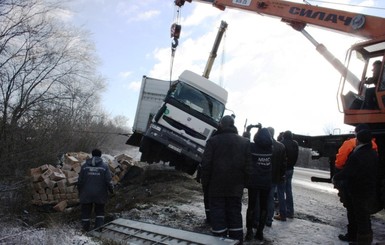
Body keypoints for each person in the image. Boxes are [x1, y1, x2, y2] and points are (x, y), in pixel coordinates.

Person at [201, 115, 251, 244]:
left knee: (217, 215)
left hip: (216, 187)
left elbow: (206, 165)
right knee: (235, 214)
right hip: (235, 187)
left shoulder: (213, 141)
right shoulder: (244, 142)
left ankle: (219, 241)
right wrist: (243, 184)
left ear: (221, 125)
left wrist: (205, 184)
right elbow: (249, 167)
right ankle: (237, 241)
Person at [333, 127, 379, 244]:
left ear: (358, 139)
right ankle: (359, 238)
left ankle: (360, 240)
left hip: (357, 189)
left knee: (358, 214)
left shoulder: (357, 153)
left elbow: (346, 168)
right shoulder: (374, 152)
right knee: (362, 215)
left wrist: (336, 177)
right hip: (368, 188)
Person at [244, 127, 273, 242]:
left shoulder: (252, 147)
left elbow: (245, 140)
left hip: (254, 181)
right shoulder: (271, 149)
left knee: (251, 206)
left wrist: (249, 130)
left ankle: (249, 230)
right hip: (266, 181)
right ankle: (260, 231)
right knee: (264, 206)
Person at [77, 149, 114, 232]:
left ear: (92, 155)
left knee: (85, 213)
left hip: (86, 194)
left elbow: (80, 181)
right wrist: (112, 191)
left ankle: (85, 231)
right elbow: (109, 181)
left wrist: (80, 192)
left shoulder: (85, 166)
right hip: (100, 194)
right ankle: (98, 230)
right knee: (100, 212)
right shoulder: (104, 167)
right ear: (100, 155)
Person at [275, 130, 298, 220]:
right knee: (288, 191)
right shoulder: (295, 144)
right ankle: (290, 212)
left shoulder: (281, 144)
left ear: (284, 136)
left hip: (283, 170)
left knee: (280, 192)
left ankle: (282, 213)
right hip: (291, 169)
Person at [266, 127, 286, 226]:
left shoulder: (266, 144)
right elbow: (283, 164)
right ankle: (269, 219)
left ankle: (259, 220)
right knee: (270, 198)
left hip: (265, 175)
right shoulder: (281, 146)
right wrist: (281, 175)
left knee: (261, 198)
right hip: (275, 176)